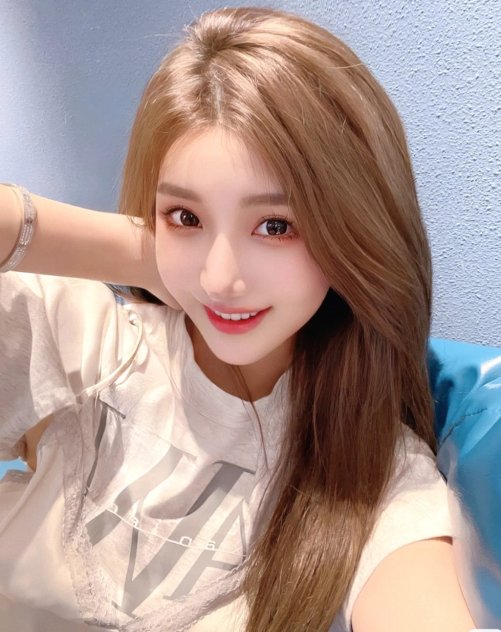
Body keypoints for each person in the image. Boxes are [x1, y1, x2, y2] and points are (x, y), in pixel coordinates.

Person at [0, 6, 476, 632]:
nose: (221, 278)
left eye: (276, 226)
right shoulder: (79, 342)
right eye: (185, 217)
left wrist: (177, 245)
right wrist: (141, 256)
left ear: (355, 231)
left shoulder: (375, 481)